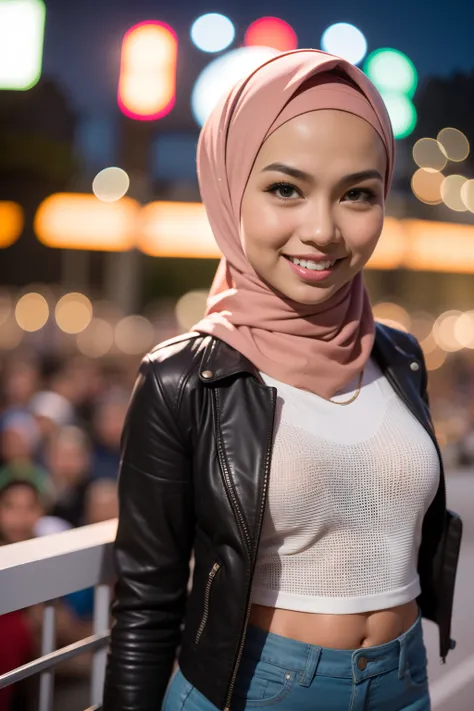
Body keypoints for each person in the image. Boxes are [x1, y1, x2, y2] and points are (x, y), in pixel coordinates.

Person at [102, 50, 462, 711]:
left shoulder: (400, 356)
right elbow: (147, 603)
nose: (322, 231)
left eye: (358, 193)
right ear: (228, 185)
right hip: (257, 688)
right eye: (285, 189)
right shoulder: (184, 376)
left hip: (405, 680)